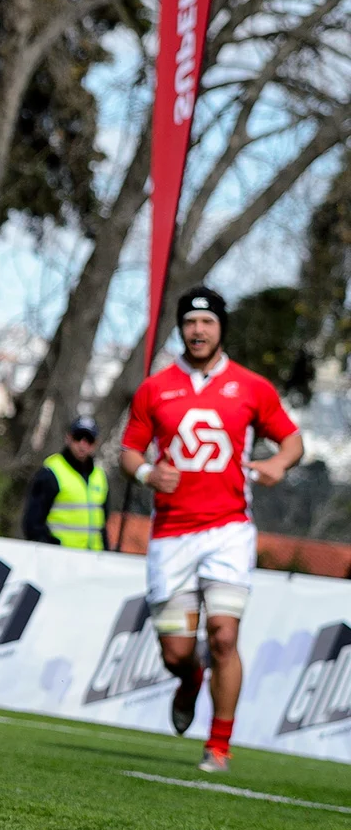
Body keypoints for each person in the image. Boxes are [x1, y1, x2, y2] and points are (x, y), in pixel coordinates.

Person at [120, 286, 302, 773]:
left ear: (221, 328)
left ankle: (218, 745)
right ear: (180, 329)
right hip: (171, 536)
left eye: (207, 322)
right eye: (189, 322)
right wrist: (147, 473)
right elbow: (129, 451)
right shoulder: (155, 388)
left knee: (223, 636)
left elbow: (292, 440)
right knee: (177, 651)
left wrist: (279, 464)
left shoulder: (252, 387)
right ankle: (189, 678)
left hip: (229, 531)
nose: (198, 330)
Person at [22, 416, 108, 549]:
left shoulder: (100, 476)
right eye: (78, 437)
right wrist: (52, 547)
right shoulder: (51, 472)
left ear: (95, 444)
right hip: (59, 556)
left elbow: (102, 524)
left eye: (89, 440)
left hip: (93, 557)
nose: (82, 444)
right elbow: (33, 524)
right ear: (68, 438)